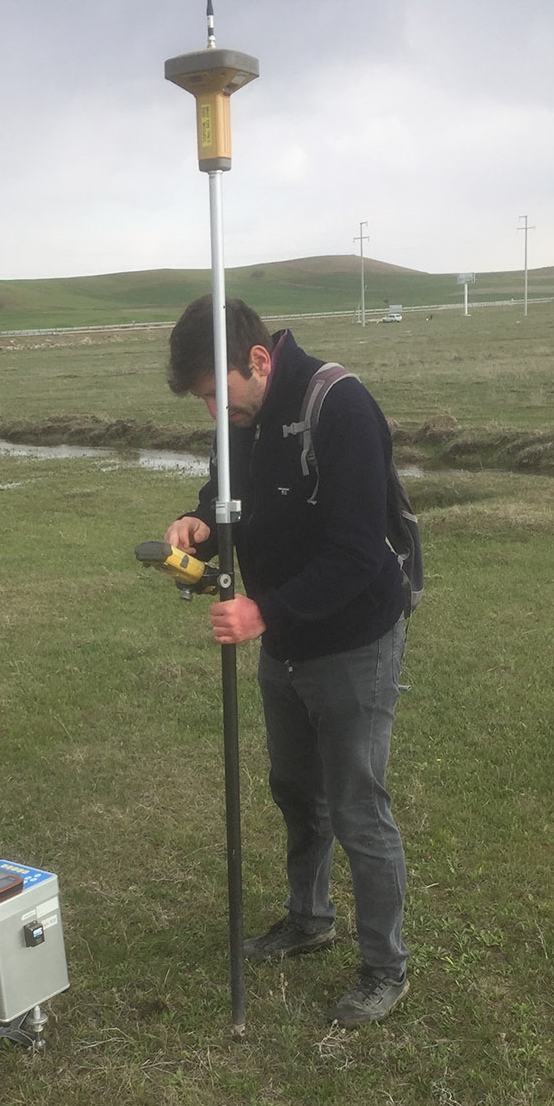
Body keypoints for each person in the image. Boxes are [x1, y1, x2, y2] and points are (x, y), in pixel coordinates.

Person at [164, 295, 412, 1024]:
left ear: (259, 360)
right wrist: (200, 521)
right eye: (201, 401)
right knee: (296, 791)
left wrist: (262, 611)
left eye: (216, 394)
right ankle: (309, 920)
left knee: (358, 807)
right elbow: (227, 493)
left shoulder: (341, 408)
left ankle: (385, 967)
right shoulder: (240, 422)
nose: (214, 412)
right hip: (287, 643)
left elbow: (359, 551)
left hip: (354, 639)